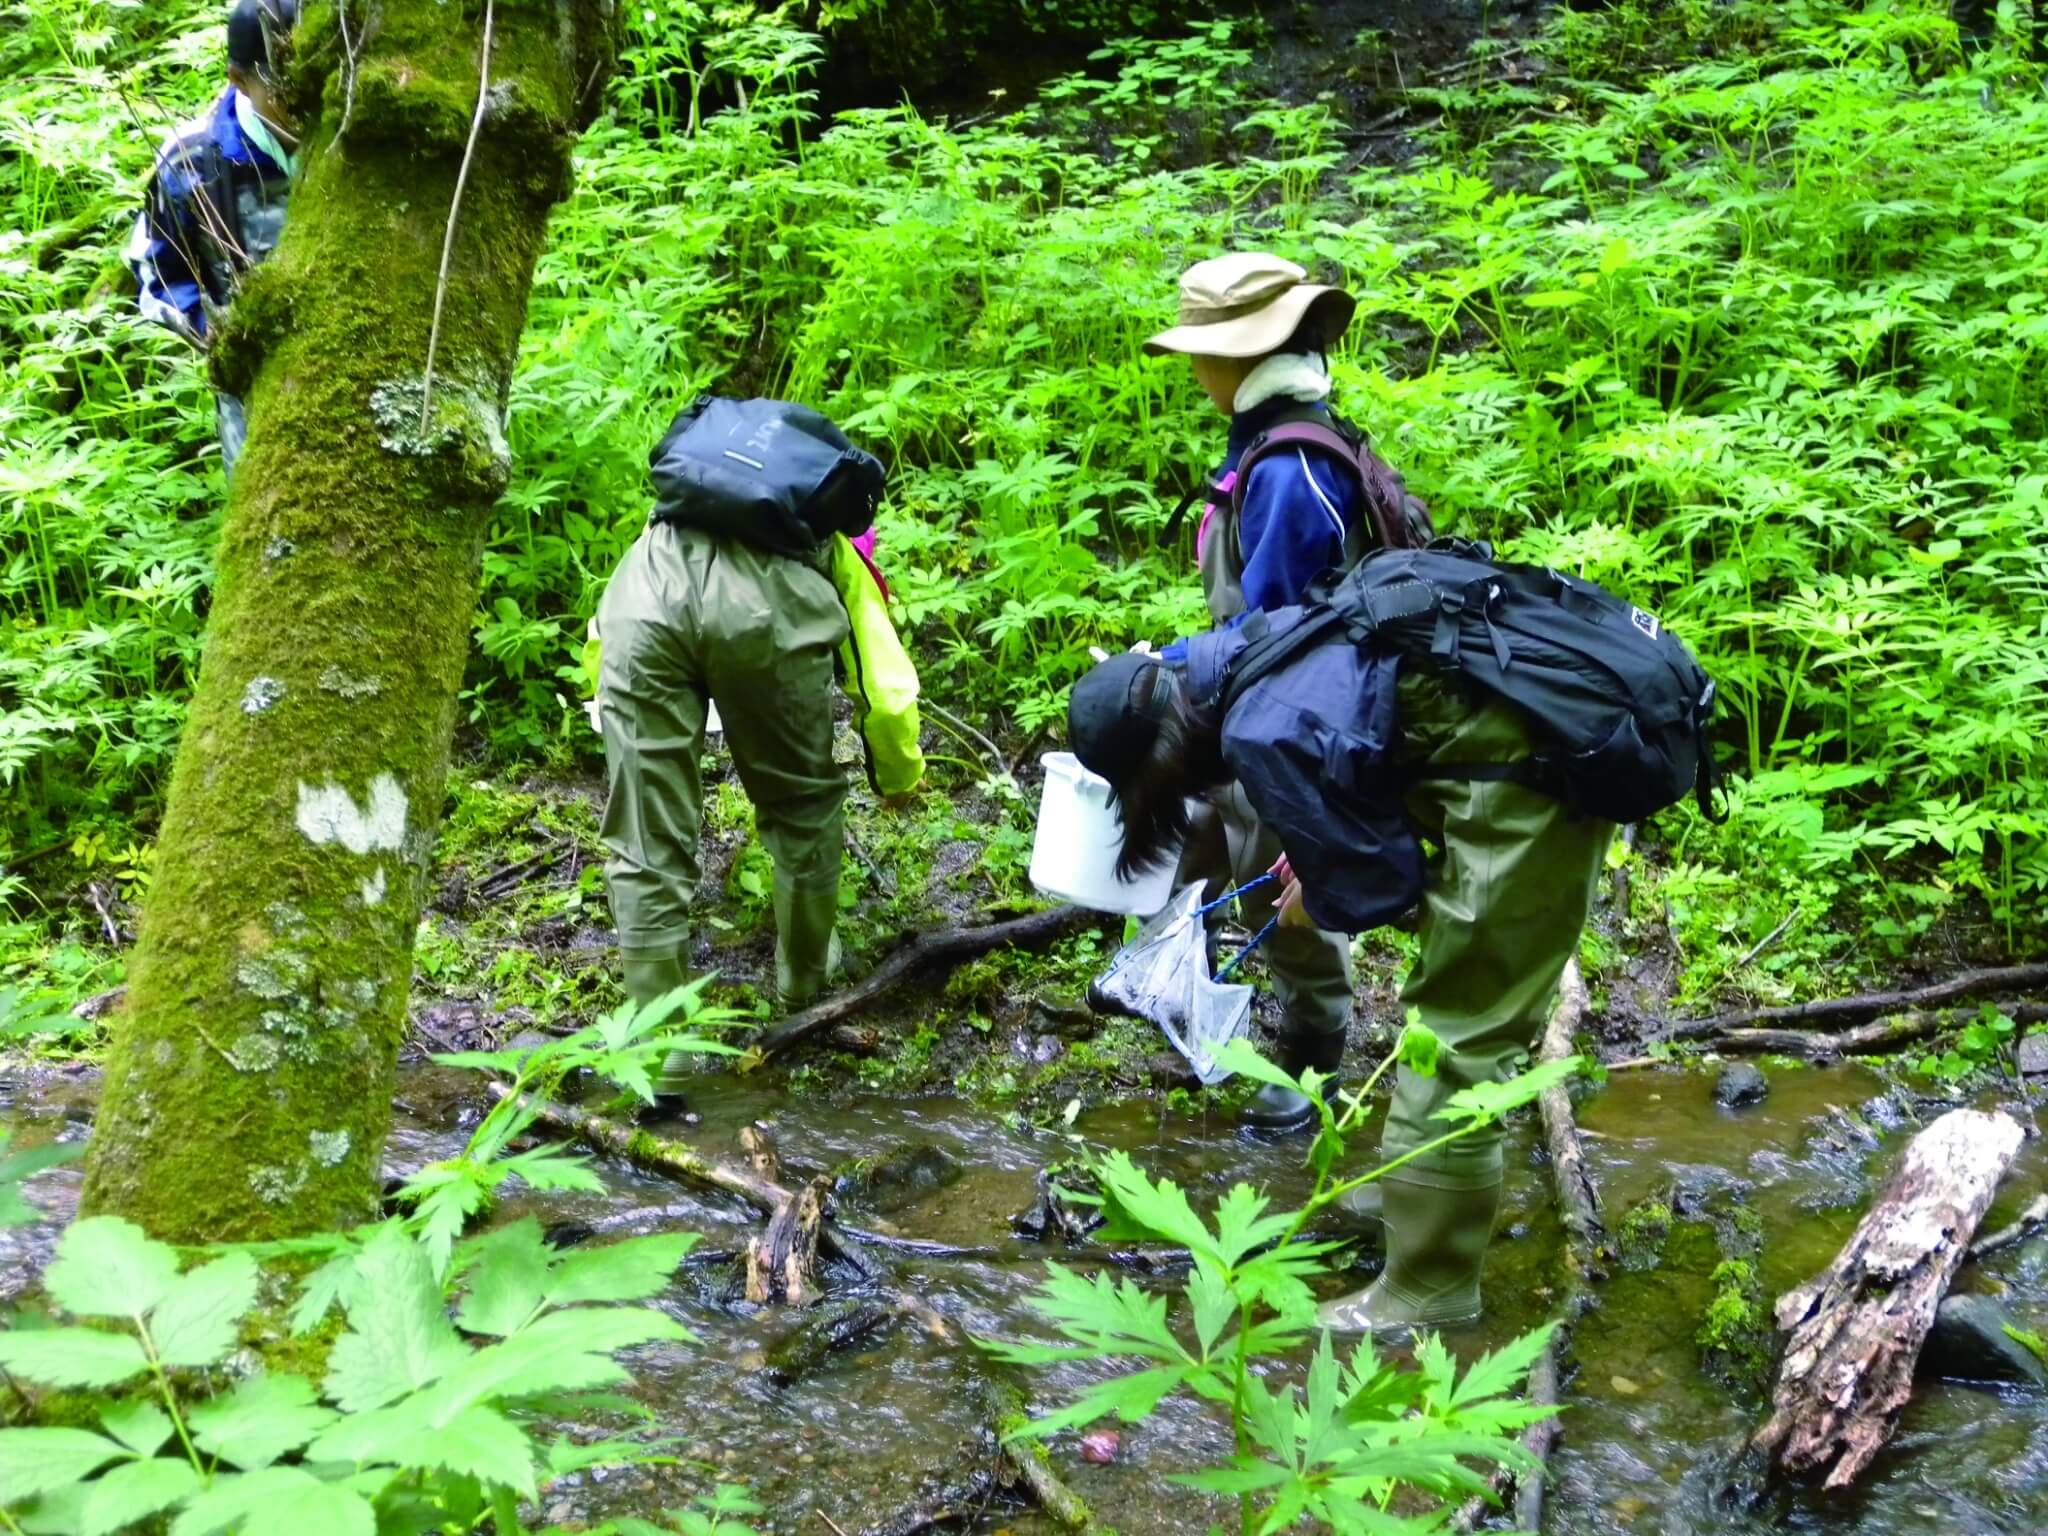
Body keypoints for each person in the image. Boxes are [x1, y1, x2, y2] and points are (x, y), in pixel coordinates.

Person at [1064, 612, 1612, 1333]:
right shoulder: (1244, 660)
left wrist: (1317, 901)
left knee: (1459, 1031)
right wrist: (1317, 858)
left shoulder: (1259, 729)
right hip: (1506, 746)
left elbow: (1380, 886)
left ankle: (1430, 1287)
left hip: (1533, 775)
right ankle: (1417, 1198)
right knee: (1448, 1008)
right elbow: (1374, 757)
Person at [594, 400, 925, 1103]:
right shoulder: (836, 553)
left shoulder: (675, 514)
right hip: (766, 613)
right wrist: (898, 776)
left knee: (647, 840)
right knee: (802, 806)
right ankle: (802, 988)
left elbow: (606, 639)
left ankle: (659, 1063)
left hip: (644, 601)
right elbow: (888, 692)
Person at [1140, 251, 1400, 1131]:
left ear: (1244, 358)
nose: (1194, 370)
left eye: (1202, 354)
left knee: (1282, 880)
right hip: (1254, 698)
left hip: (1294, 714)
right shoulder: (1277, 438)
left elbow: (1283, 629)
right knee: (1204, 845)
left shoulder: (1288, 469)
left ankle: (1312, 1061)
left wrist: (1184, 666)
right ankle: (1192, 1001)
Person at [126, 0, 300, 477]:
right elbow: (156, 271)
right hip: (252, 408)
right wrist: (214, 332)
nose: (308, 107)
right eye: (285, 91)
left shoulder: (358, 141)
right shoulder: (192, 164)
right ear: (239, 80)